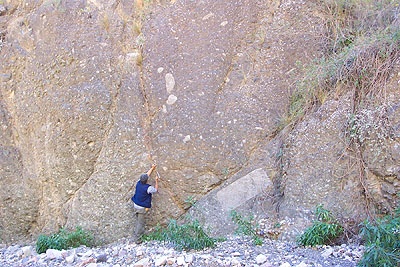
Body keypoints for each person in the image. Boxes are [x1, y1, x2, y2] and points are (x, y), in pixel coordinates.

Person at [131, 163, 158, 243]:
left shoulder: (138, 183)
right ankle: (137, 239)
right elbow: (155, 190)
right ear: (147, 180)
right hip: (141, 207)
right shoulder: (148, 188)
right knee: (140, 223)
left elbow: (146, 175)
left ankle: (137, 235)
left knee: (138, 220)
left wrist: (152, 168)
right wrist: (156, 181)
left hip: (135, 204)